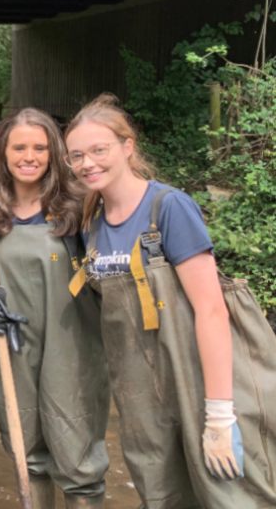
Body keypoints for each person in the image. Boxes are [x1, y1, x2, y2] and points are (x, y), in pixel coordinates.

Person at [64, 94, 276, 508]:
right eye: (77, 156)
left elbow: (212, 311)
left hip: (199, 382)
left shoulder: (168, 208)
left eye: (98, 150)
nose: (87, 162)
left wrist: (219, 415)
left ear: (127, 147)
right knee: (161, 496)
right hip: (141, 397)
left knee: (229, 495)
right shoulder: (91, 222)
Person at [0, 108, 109, 508]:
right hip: (12, 346)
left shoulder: (80, 206)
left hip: (72, 344)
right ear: (3, 151)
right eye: (19, 147)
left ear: (55, 153)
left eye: (39, 147)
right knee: (27, 449)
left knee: (77, 450)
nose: (28, 156)